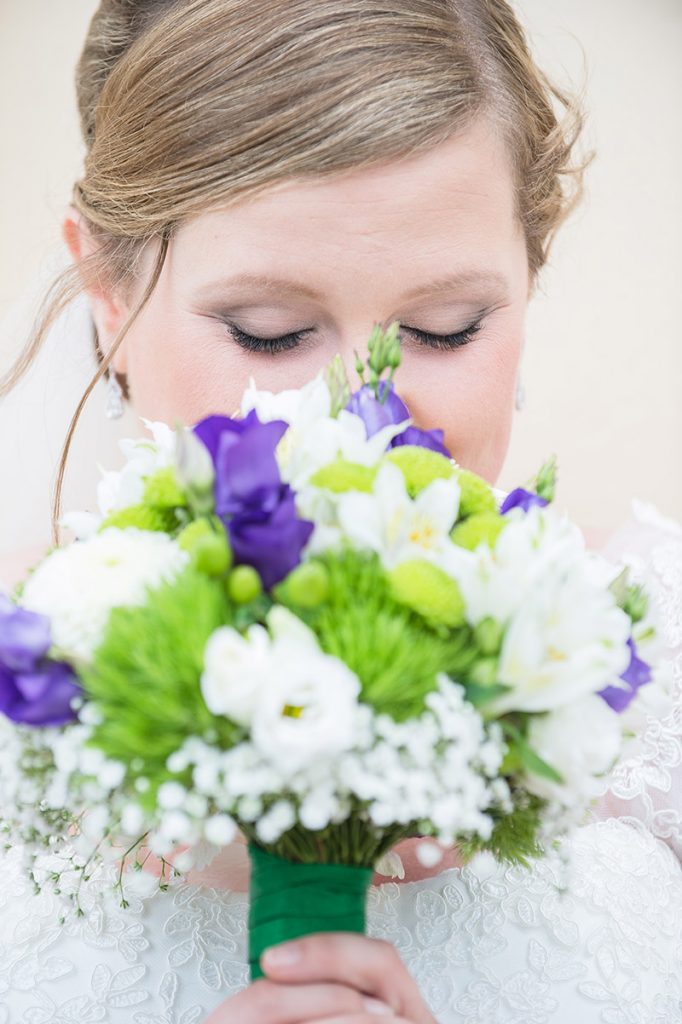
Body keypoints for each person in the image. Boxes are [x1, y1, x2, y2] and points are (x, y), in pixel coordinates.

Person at [1, 1, 681, 1020]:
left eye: (446, 327)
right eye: (268, 332)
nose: (355, 409)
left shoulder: (655, 652)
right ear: (109, 290)